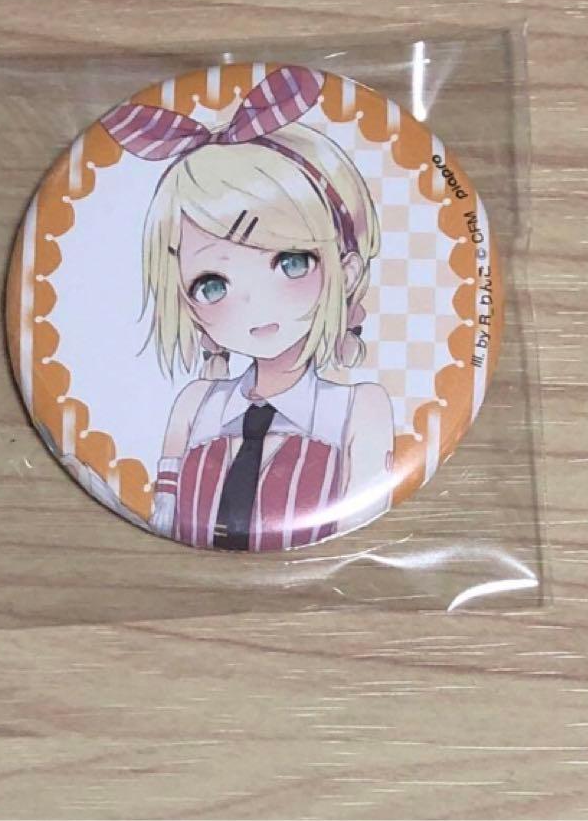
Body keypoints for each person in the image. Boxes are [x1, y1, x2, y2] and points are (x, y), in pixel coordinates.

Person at [101, 66, 395, 551]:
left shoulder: (359, 409)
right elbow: (162, 515)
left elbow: (362, 524)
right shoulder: (196, 405)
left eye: (292, 262)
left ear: (345, 272)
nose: (255, 303)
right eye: (212, 285)